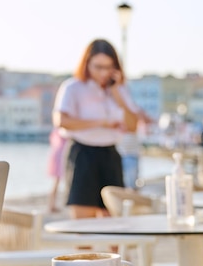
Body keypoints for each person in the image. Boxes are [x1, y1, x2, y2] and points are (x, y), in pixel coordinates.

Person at [52, 38, 138, 219]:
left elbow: (133, 125)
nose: (103, 72)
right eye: (98, 66)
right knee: (83, 224)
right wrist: (101, 123)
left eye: (108, 67)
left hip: (110, 155)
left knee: (115, 221)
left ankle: (115, 249)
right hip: (83, 154)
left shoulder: (120, 90)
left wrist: (116, 93)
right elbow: (61, 120)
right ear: (86, 64)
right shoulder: (73, 87)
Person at [46, 127, 68, 213]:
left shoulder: (55, 131)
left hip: (56, 155)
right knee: (59, 182)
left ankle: (52, 204)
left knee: (56, 182)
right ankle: (52, 205)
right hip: (62, 156)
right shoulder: (64, 131)